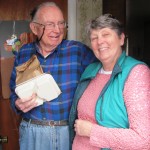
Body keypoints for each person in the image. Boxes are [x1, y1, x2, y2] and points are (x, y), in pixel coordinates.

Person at [9, 2, 97, 150]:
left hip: (66, 132)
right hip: (31, 131)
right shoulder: (23, 52)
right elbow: (13, 91)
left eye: (61, 23)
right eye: (50, 24)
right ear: (34, 28)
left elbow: (103, 76)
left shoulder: (77, 51)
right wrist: (17, 104)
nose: (57, 30)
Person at [69, 14, 150, 150]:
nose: (100, 41)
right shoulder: (90, 70)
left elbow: (144, 140)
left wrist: (92, 131)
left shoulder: (136, 73)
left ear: (121, 39)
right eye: (94, 38)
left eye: (106, 34)